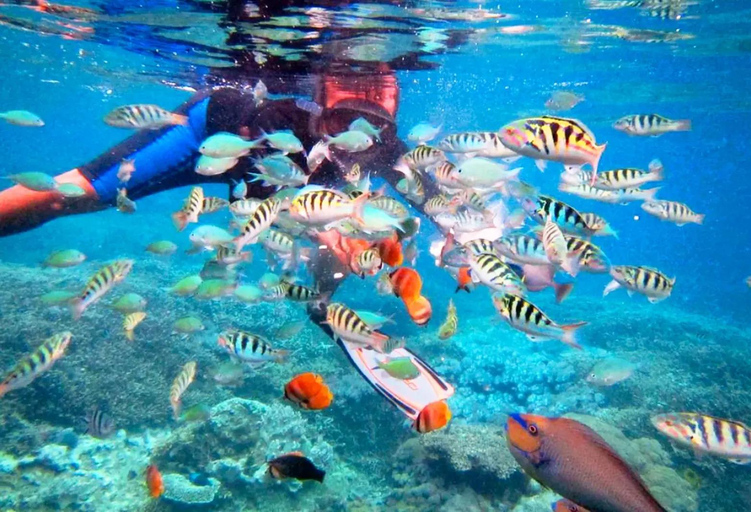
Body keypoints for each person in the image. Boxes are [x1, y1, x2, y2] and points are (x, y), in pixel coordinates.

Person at [0, 63, 455, 420]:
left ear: (397, 94)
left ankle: (322, 306)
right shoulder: (283, 114)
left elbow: (444, 206)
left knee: (345, 233)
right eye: (344, 100)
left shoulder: (391, 148)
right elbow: (266, 183)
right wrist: (320, 222)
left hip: (280, 194)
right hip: (207, 136)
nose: (367, 96)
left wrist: (480, 245)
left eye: (380, 93)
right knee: (78, 194)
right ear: (317, 92)